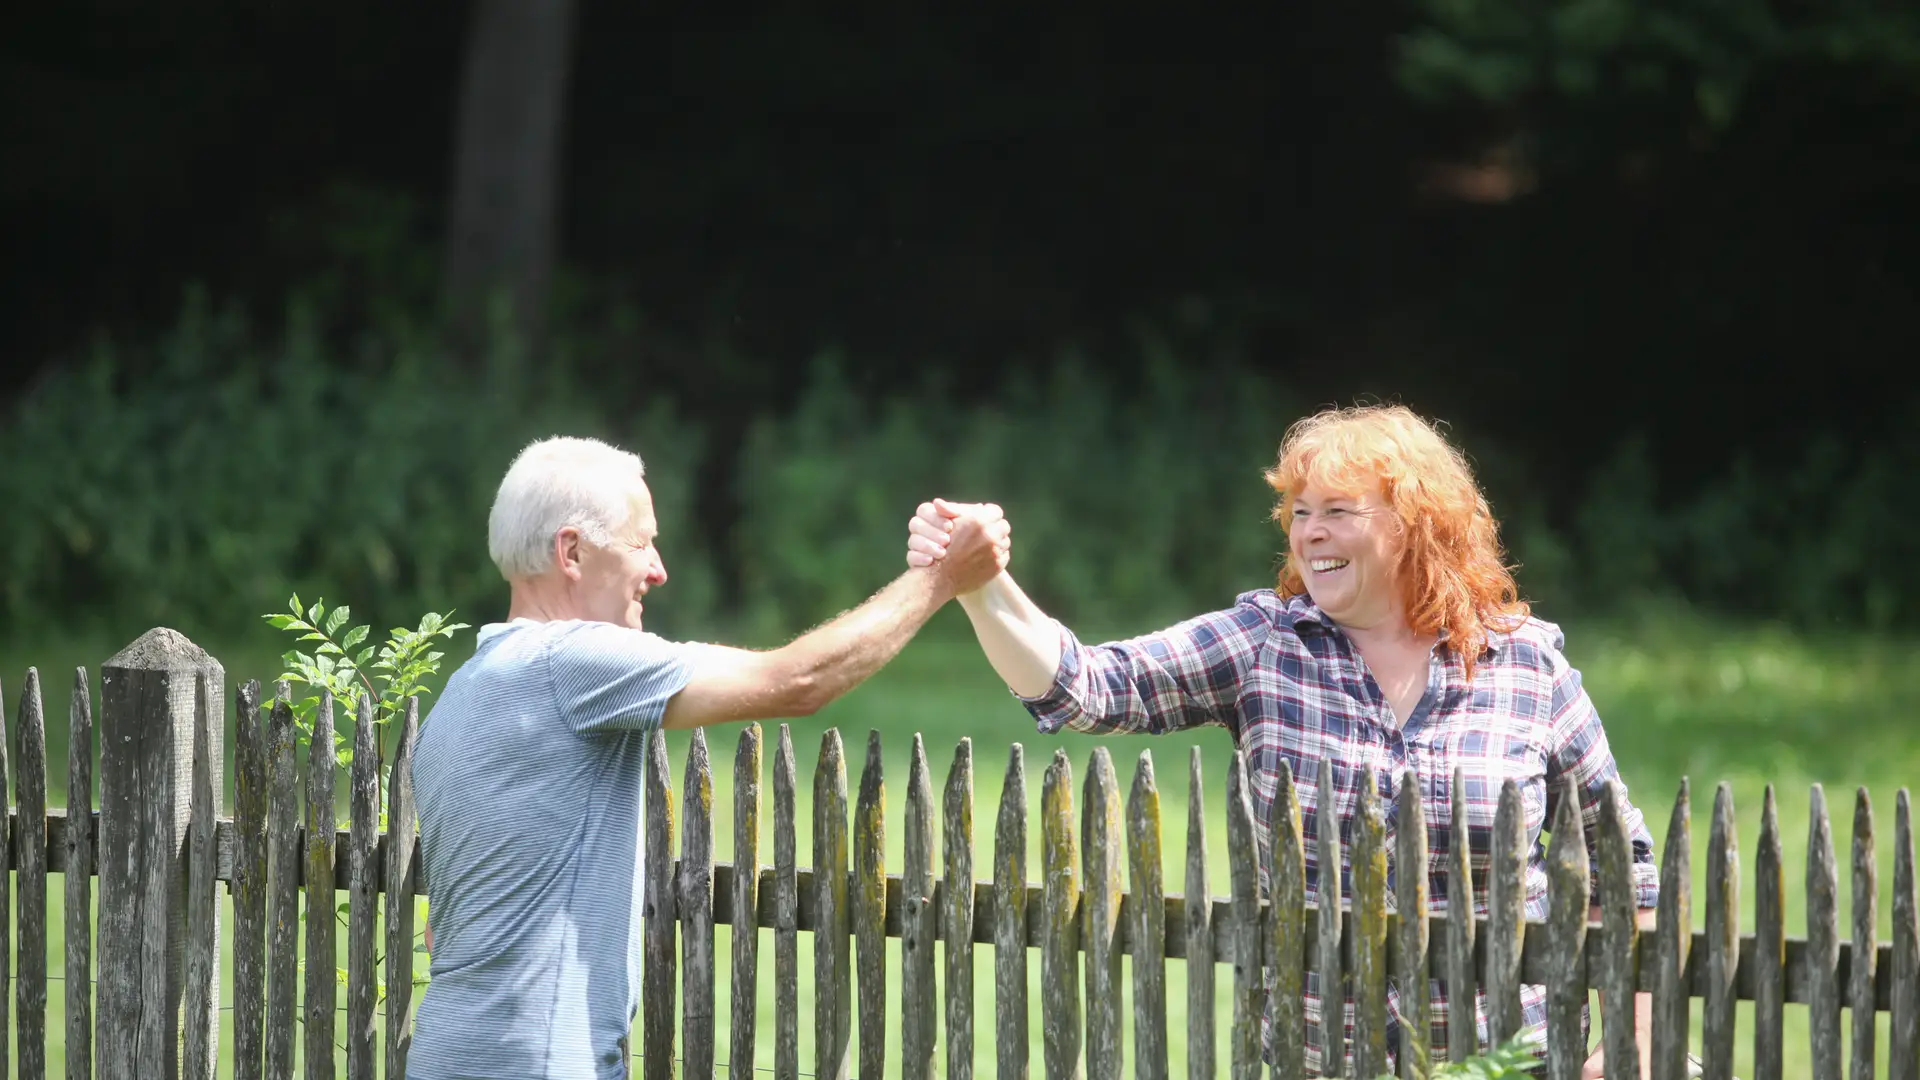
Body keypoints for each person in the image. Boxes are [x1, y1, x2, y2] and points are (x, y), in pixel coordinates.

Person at [907, 404, 1660, 1079]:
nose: (1310, 533)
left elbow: (1622, 865)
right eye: (1300, 513)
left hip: (1510, 1063)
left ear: (1414, 524)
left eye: (1337, 510)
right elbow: (1087, 686)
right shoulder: (1266, 644)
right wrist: (981, 585)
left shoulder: (1525, 664)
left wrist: (1635, 1043)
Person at [409, 435, 1009, 1080]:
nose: (659, 569)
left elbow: (445, 930)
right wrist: (942, 579)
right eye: (641, 542)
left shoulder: (459, 700)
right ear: (572, 552)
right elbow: (799, 681)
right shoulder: (571, 662)